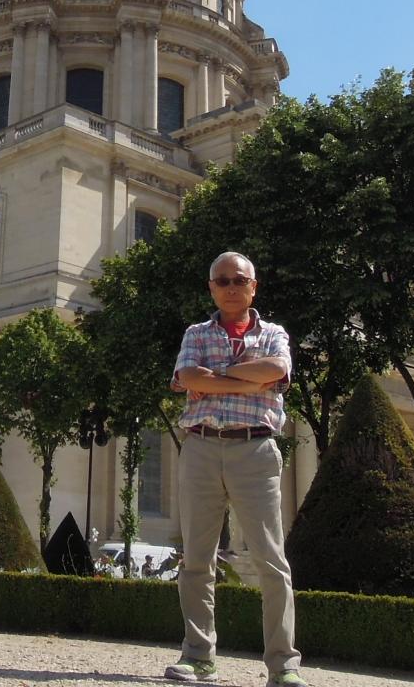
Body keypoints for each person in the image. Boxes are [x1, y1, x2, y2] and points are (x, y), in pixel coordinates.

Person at [165, 251, 307, 687]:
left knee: (271, 561)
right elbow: (188, 378)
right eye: (222, 280)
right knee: (196, 560)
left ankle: (283, 666)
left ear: (253, 286)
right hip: (201, 447)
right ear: (212, 288)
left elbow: (277, 369)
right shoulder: (195, 333)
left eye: (239, 280)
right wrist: (248, 379)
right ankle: (198, 658)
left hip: (255, 449)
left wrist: (215, 377)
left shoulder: (275, 333)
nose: (231, 287)